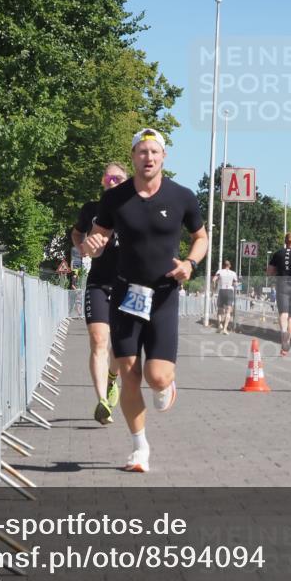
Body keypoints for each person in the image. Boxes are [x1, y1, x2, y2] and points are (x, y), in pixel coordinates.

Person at [81, 128, 207, 473]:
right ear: (133, 155)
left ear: (164, 156)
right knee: (128, 373)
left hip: (164, 294)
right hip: (126, 294)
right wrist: (93, 244)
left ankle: (167, 384)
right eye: (141, 151)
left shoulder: (182, 197)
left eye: (154, 151)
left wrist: (190, 264)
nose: (148, 157)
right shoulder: (115, 198)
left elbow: (201, 237)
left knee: (157, 377)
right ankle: (140, 448)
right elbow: (99, 235)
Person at [72, 162, 129, 425]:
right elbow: (76, 233)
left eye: (118, 178)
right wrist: (82, 247)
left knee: (119, 347)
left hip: (126, 285)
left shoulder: (133, 210)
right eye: (109, 178)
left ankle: (112, 379)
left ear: (126, 181)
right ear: (102, 181)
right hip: (98, 282)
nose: (113, 181)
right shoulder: (91, 210)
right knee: (98, 341)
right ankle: (102, 402)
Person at [211, 259, 238, 334]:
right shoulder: (233, 273)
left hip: (221, 290)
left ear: (223, 265)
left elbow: (214, 280)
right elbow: (236, 284)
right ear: (230, 266)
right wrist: (234, 286)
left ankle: (220, 326)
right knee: (228, 312)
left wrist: (214, 288)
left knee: (219, 310)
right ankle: (225, 329)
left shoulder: (220, 271)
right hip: (230, 291)